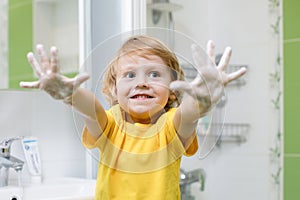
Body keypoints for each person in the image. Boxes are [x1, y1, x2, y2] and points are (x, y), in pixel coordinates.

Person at [20, 35, 246, 200]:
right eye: (130, 75)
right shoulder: (110, 126)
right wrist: (71, 95)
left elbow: (188, 116)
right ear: (114, 86)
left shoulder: (170, 127)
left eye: (155, 74)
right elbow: (91, 108)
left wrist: (202, 100)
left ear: (173, 89)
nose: (142, 82)